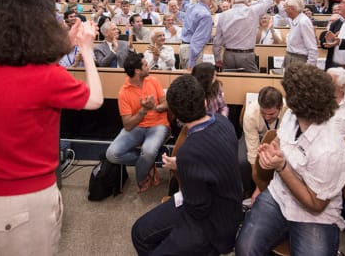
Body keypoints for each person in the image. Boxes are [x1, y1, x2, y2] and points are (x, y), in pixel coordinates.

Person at [0, 0, 103, 256]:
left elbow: (22, 66)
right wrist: (85, 50)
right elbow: (95, 99)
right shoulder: (47, 77)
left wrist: (66, 45)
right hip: (23, 205)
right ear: (42, 23)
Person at [236, 64, 345, 256]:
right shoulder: (292, 116)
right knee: (245, 249)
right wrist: (271, 151)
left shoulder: (329, 149)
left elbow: (315, 205)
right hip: (279, 196)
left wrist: (281, 166)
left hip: (314, 216)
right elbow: (280, 139)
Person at [131, 75, 243, 256]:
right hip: (229, 208)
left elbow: (198, 208)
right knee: (139, 231)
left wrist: (184, 166)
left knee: (141, 236)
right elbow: (213, 158)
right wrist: (184, 164)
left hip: (212, 223)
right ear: (205, 102)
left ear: (176, 117)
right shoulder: (222, 122)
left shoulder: (190, 152)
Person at [105, 52, 170, 193]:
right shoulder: (124, 92)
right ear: (137, 71)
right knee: (112, 154)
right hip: (136, 127)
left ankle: (141, 178)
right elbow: (128, 124)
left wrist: (155, 107)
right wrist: (143, 110)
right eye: (146, 65)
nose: (149, 67)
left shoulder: (153, 80)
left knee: (148, 151)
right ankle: (148, 163)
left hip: (158, 125)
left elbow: (166, 104)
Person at [240, 86, 287, 199]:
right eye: (263, 113)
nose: (267, 117)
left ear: (280, 107)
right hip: (256, 137)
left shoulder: (289, 111)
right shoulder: (251, 113)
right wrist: (259, 184)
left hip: (281, 138)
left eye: (271, 114)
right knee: (242, 161)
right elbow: (252, 151)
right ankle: (249, 191)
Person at [213, 0, 273, 73]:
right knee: (254, 83)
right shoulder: (253, 10)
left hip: (228, 55)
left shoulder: (223, 15)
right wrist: (250, 3)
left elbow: (217, 39)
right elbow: (268, 1)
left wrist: (217, 58)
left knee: (229, 83)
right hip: (246, 55)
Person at [180, 0, 214, 69]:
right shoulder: (206, 15)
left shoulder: (191, 7)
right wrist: (192, 63)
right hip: (193, 52)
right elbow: (197, 40)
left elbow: (184, 3)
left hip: (183, 48)